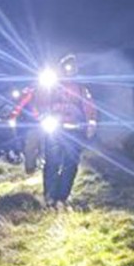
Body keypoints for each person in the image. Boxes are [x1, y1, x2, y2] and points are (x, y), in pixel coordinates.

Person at [10, 53, 98, 204]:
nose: (69, 70)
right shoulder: (51, 87)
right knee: (52, 162)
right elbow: (35, 99)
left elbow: (89, 106)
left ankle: (62, 197)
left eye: (72, 67)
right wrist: (39, 116)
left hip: (75, 130)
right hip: (55, 129)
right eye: (66, 67)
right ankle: (50, 197)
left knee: (71, 164)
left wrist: (91, 122)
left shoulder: (81, 89)